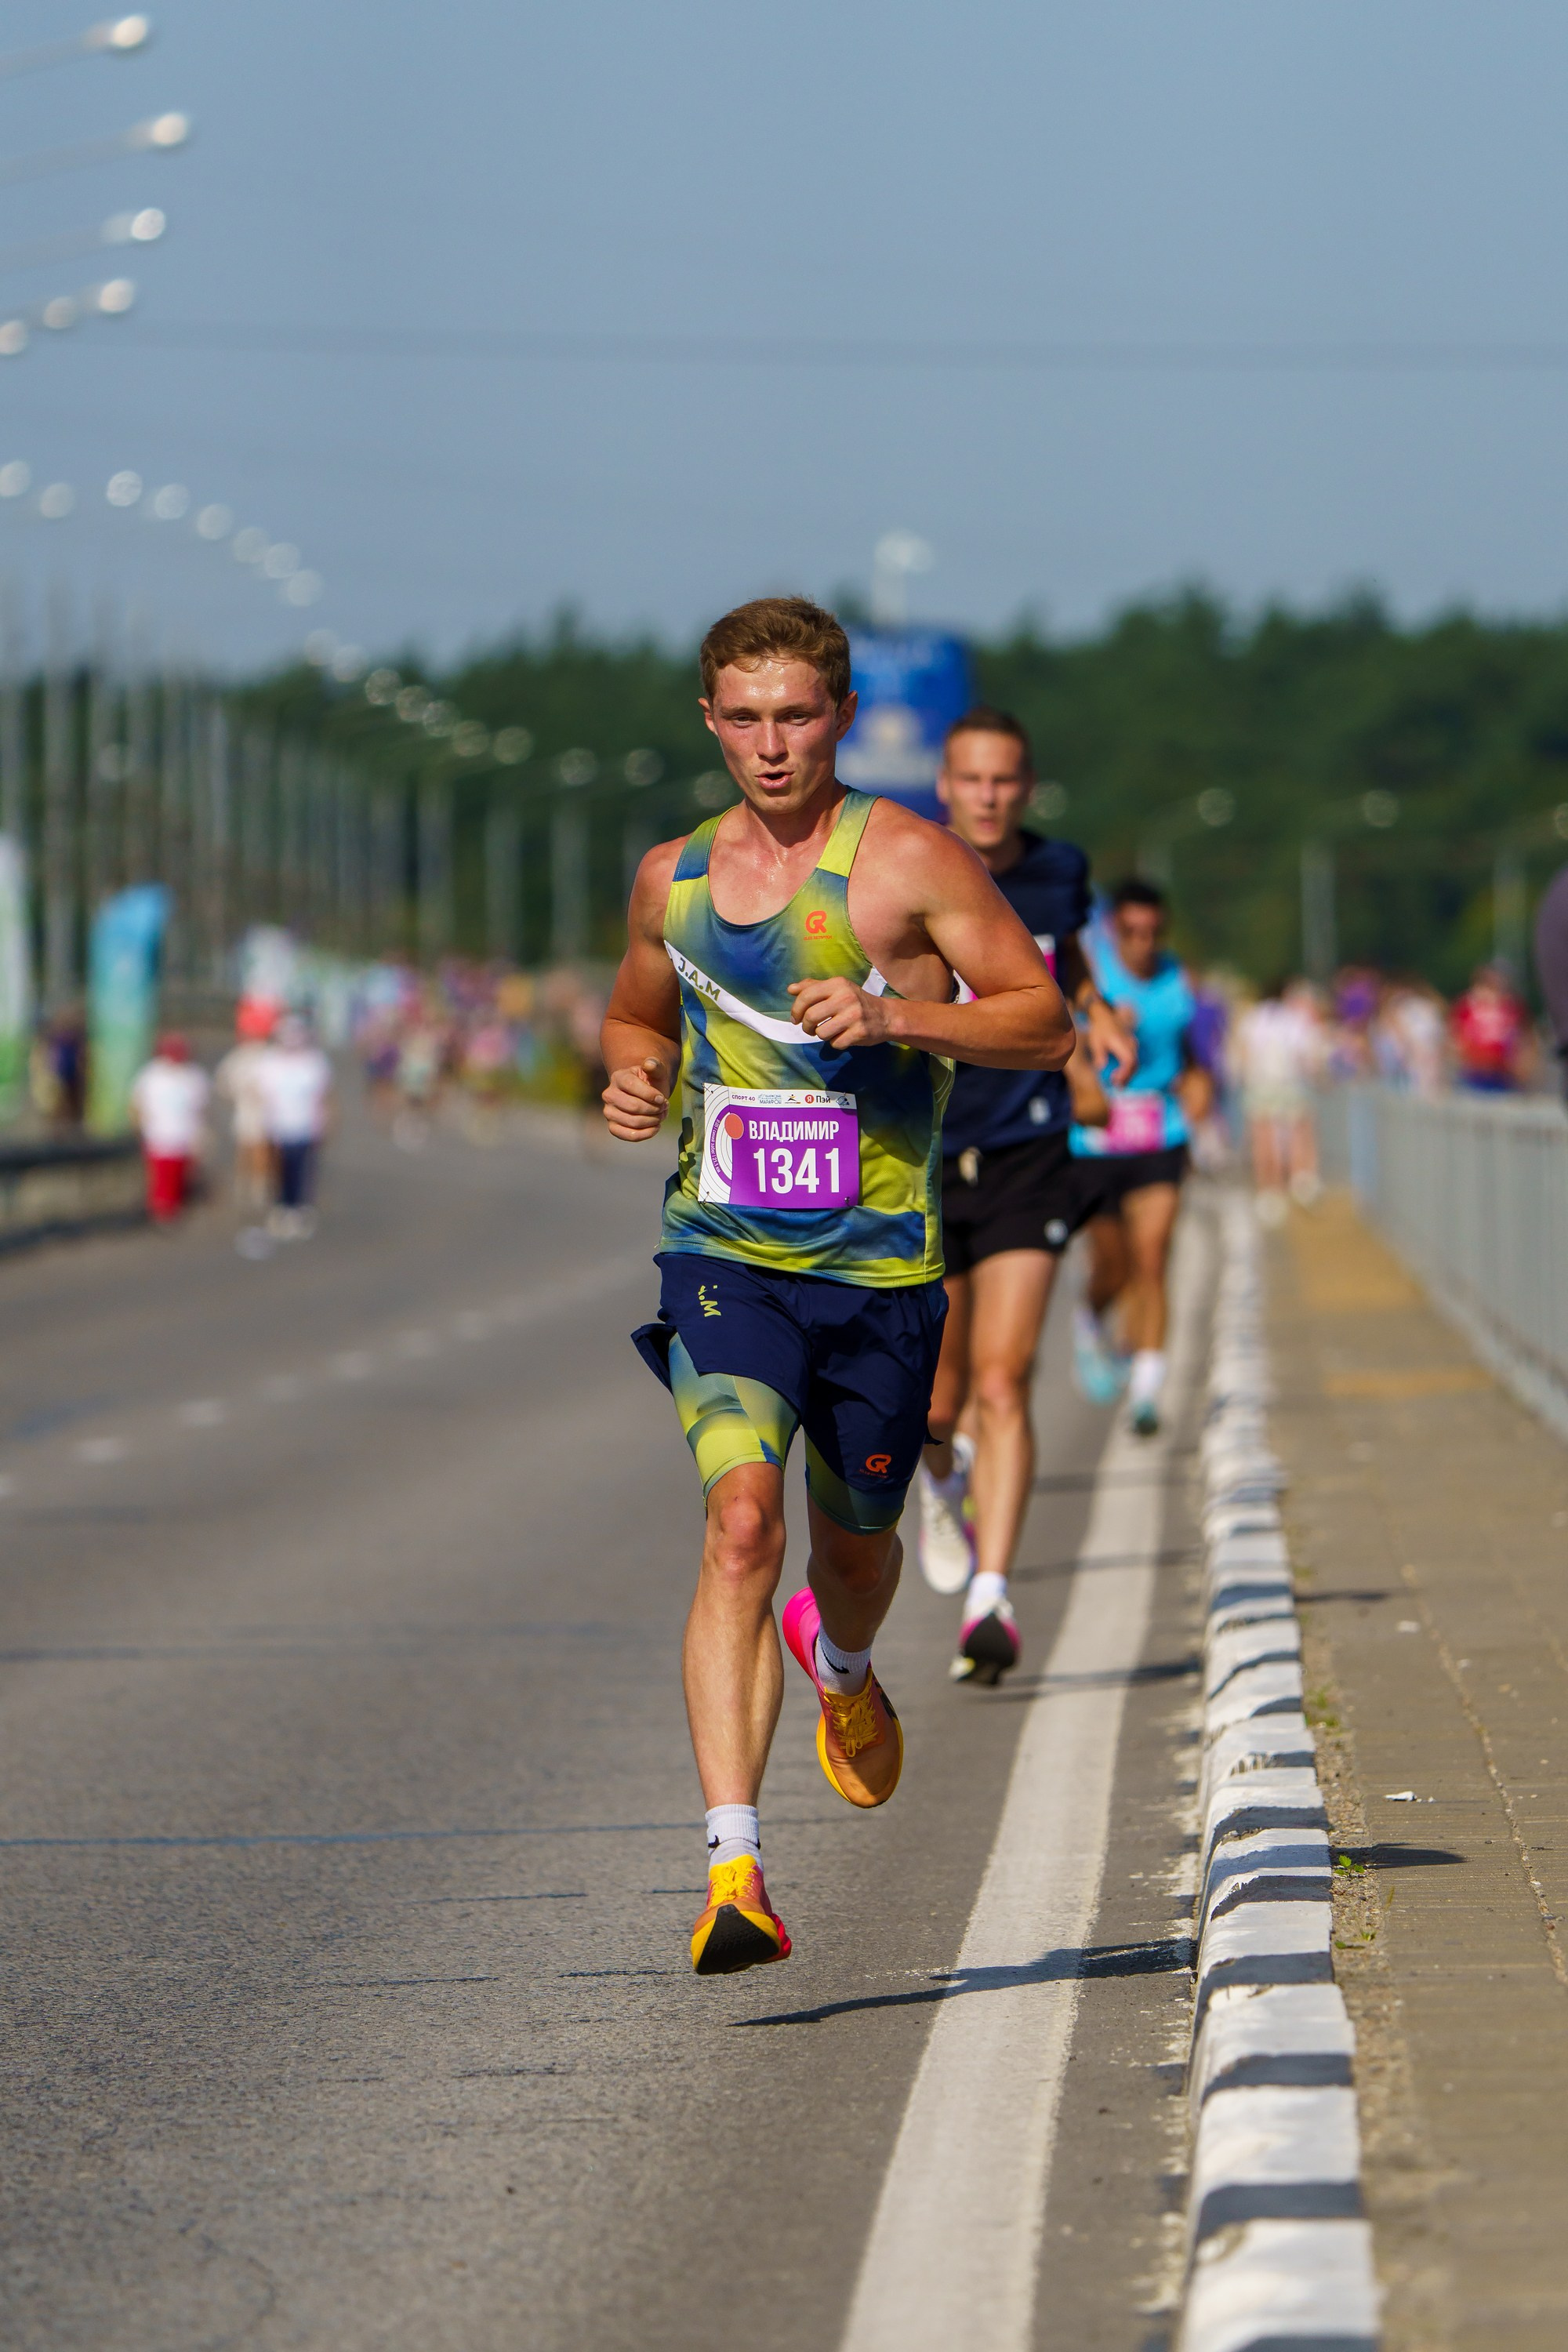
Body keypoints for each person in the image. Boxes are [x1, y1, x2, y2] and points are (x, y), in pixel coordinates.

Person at [600, 596, 1072, 1976]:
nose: (772, 745)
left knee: (855, 1552)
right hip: (725, 1254)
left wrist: (896, 1014)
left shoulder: (908, 860)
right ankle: (733, 1869)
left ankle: (846, 1666)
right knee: (742, 1526)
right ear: (709, 721)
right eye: (745, 719)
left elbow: (1040, 1019)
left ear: (843, 717)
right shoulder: (673, 879)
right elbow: (633, 1011)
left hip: (879, 1272)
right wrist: (634, 1074)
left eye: (797, 716)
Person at [912, 708, 1135, 1686]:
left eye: (1004, 779)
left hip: (1026, 1147)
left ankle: (991, 1595)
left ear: (1027, 786)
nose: (988, 796)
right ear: (943, 786)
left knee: (1004, 1380)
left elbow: (1066, 958)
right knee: (934, 1403)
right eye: (971, 779)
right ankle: (940, 1486)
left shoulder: (1056, 871)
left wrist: (1096, 1015)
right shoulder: (910, 869)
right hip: (921, 1153)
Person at [1069, 880, 1211, 1436]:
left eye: (1152, 932)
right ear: (1114, 929)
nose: (1142, 943)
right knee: (1114, 1267)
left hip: (1160, 1133)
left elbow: (1187, 1048)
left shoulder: (1177, 977)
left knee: (1152, 1260)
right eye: (1131, 932)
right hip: (1096, 1140)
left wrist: (1198, 1083)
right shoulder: (1092, 975)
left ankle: (1148, 1392)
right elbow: (1057, 1038)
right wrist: (1095, 1034)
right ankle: (1090, 1316)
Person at [1234, 978, 1320, 1222]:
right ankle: (1300, 1180)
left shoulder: (1253, 1018)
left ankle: (1270, 1190)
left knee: (1263, 1138)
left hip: (1260, 1084)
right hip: (1289, 1083)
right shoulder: (1294, 1019)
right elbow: (1306, 1056)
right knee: (1297, 1133)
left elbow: (1243, 1054)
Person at [253, 1014, 333, 1239]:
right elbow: (262, 1095)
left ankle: (299, 1208)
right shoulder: (269, 1062)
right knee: (280, 1170)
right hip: (278, 1126)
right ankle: (282, 1207)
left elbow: (324, 1096)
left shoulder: (315, 1061)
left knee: (303, 1168)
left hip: (306, 1125)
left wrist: (326, 1123)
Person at [129, 1034, 210, 1225]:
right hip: (158, 1133)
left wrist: (200, 1132)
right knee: (160, 1175)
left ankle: (174, 1208)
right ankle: (160, 1210)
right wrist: (140, 1124)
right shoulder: (151, 1074)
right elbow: (137, 1102)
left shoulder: (194, 1075)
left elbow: (202, 1107)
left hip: (184, 1134)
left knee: (179, 1174)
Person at [215, 1007, 276, 1218]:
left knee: (262, 1150)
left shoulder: (270, 1057)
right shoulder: (239, 1056)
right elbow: (224, 1082)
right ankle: (245, 1186)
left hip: (266, 1111)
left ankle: (259, 1187)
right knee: (245, 1148)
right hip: (245, 1108)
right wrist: (237, 1093)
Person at [1450, 961, 1530, 1091]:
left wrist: (1522, 1065)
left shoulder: (1510, 1008)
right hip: (1473, 1070)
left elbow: (1522, 1039)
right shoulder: (1466, 1007)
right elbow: (1457, 1036)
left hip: (1503, 1072)